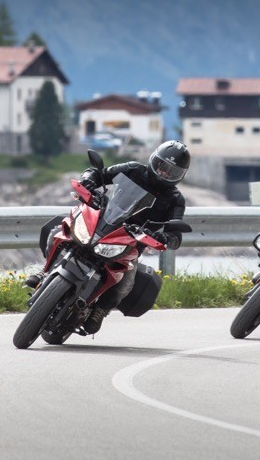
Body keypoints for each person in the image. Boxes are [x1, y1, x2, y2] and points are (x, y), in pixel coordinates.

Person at [30, 140, 191, 334]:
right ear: (153, 160)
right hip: (104, 221)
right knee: (59, 230)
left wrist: (165, 237)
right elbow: (100, 173)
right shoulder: (133, 169)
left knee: (126, 280)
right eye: (162, 166)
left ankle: (101, 310)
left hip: (131, 242)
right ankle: (45, 271)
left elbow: (175, 235)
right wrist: (88, 179)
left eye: (171, 172)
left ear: (180, 175)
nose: (164, 173)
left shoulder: (175, 199)